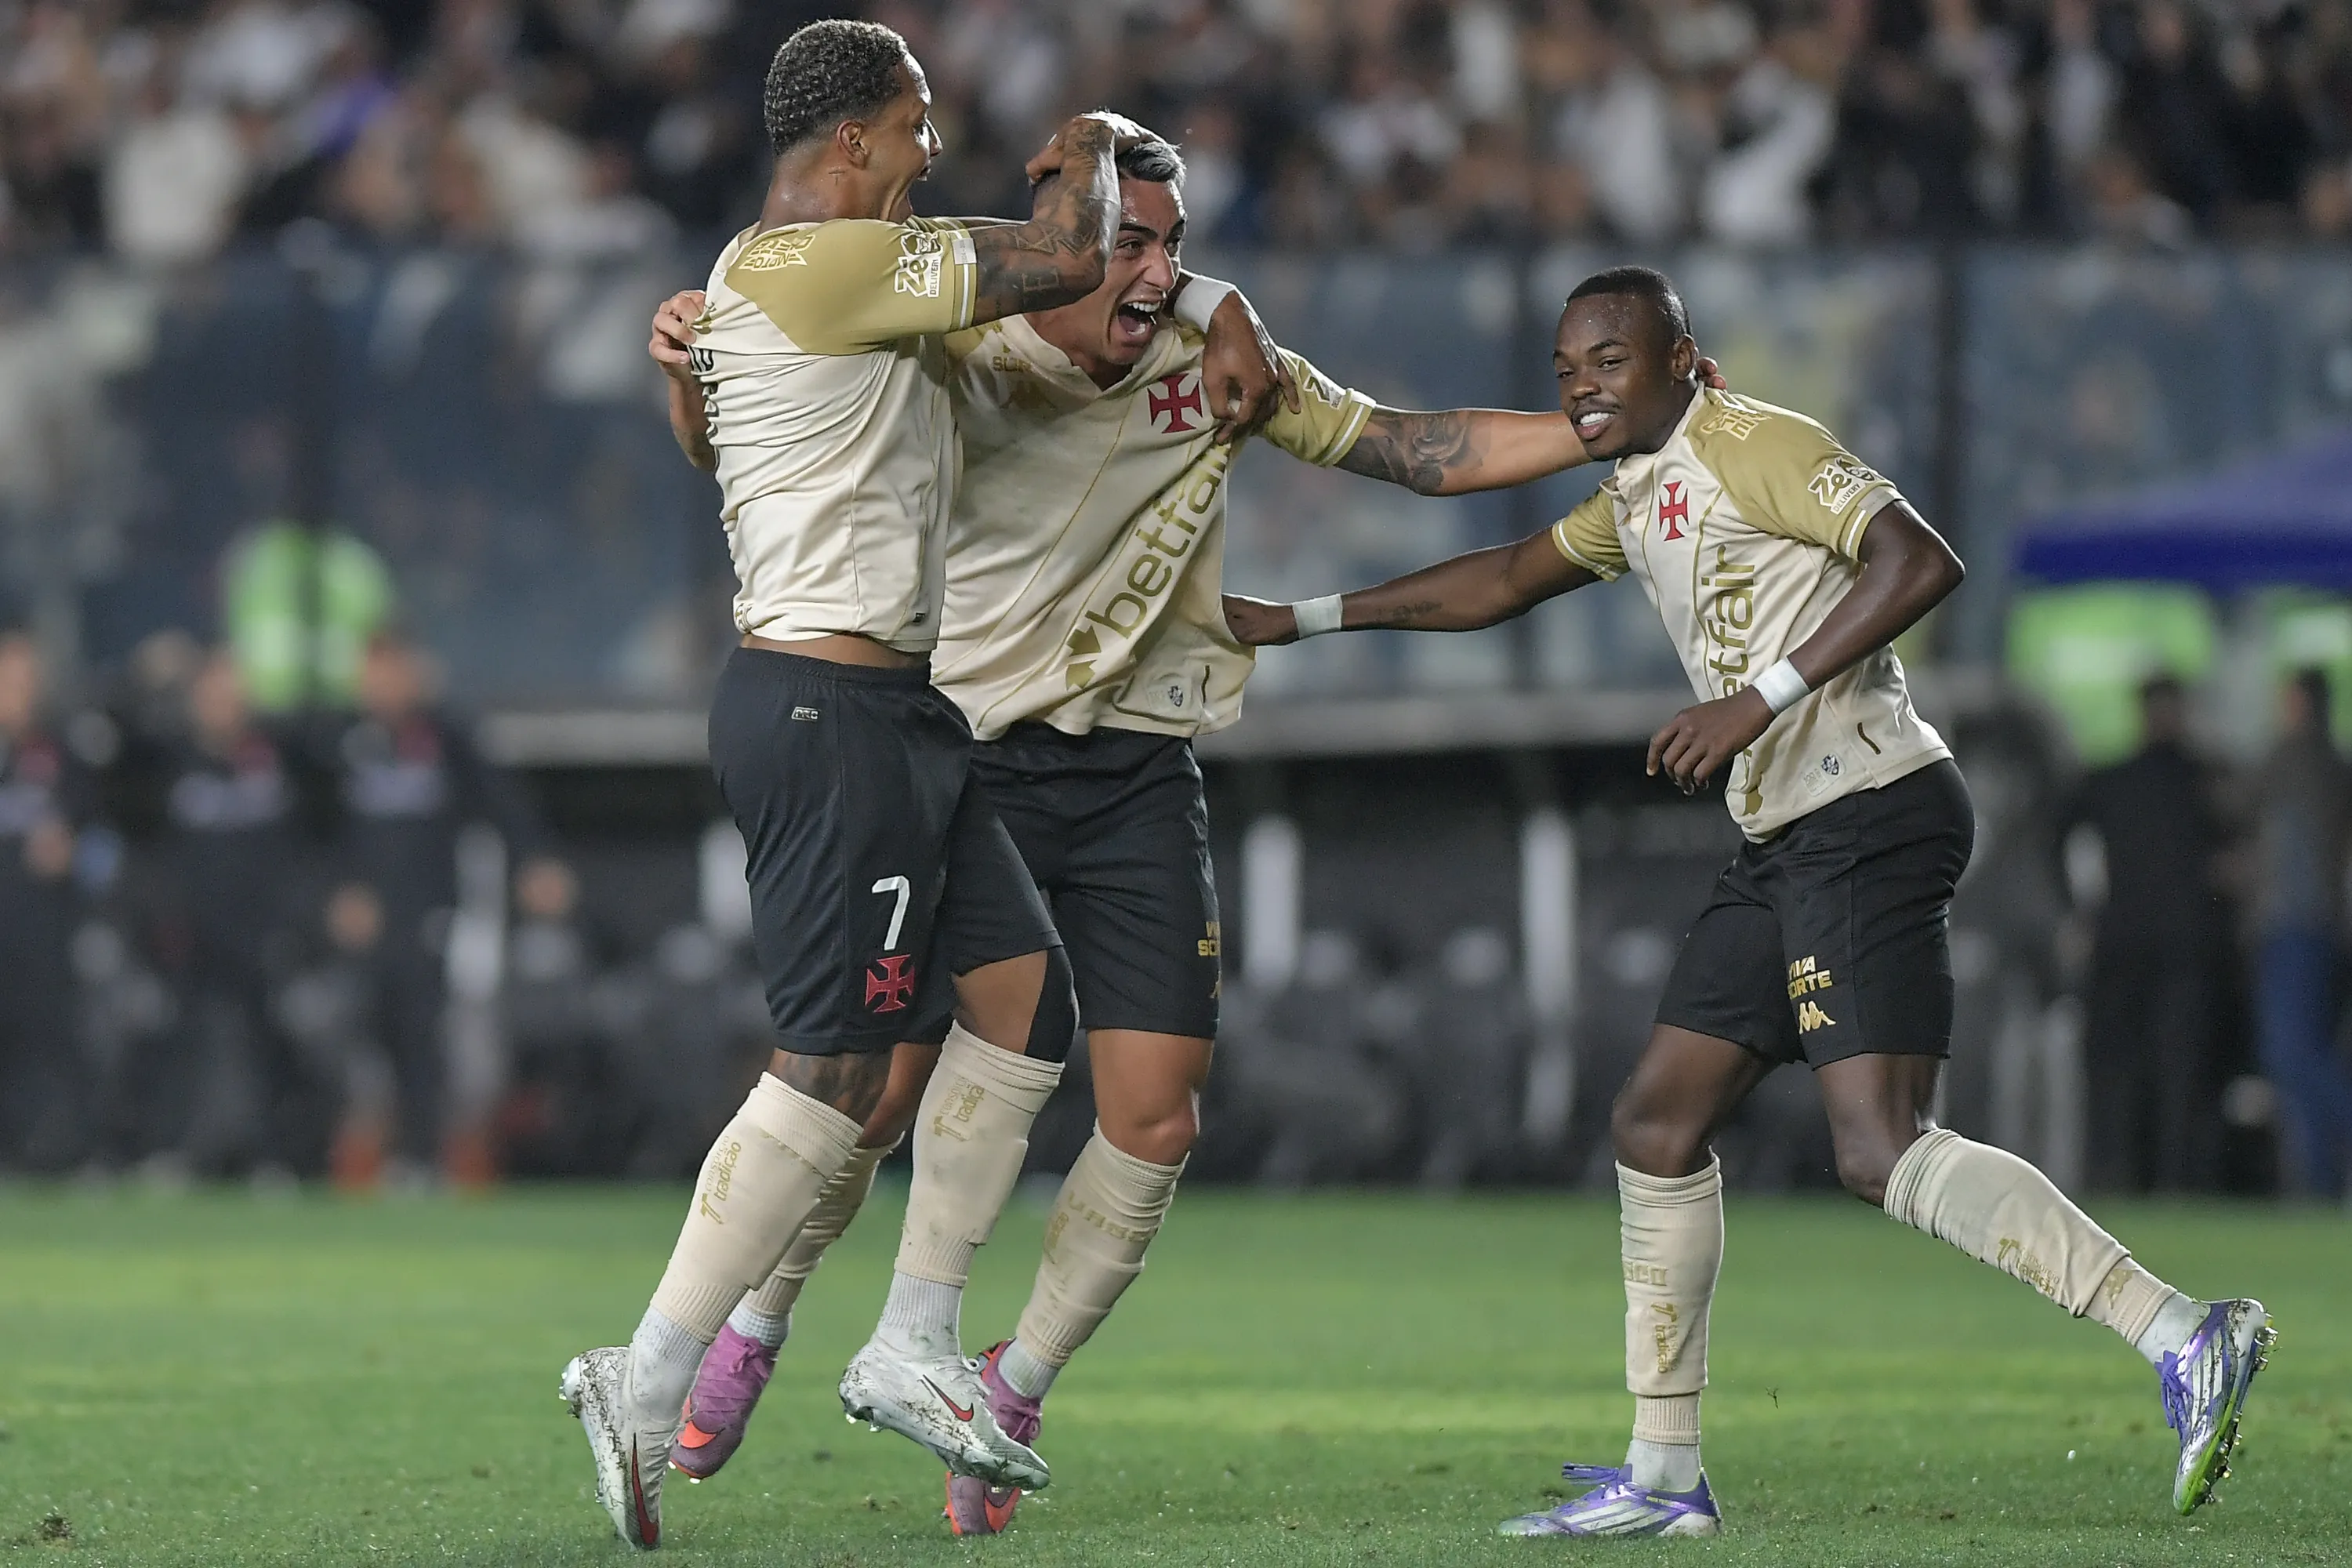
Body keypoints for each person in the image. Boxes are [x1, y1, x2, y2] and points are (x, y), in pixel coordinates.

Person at [642, 142, 1709, 1536]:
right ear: (1058, 234)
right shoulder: (957, 340)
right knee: (876, 1085)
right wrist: (688, 361)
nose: (1157, 269)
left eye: (1175, 242)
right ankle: (760, 1322)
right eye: (1128, 240)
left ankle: (1010, 1388)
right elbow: (767, 414)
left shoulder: (1215, 353)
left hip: (1139, 765)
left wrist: (1612, 427)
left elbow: (1407, 447)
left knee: (1156, 1114)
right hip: (967, 748)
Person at [1223, 266, 2271, 1534]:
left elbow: (1918, 559)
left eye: (1608, 361)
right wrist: (1300, 619)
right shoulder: (1640, 485)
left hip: (1867, 806)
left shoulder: (1753, 441)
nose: (1583, 389)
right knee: (1657, 1122)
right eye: (1566, 372)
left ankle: (2182, 1333)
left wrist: (1756, 698)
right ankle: (1664, 1479)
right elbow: (1501, 580)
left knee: (1878, 1147)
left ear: (1681, 358)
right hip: (1783, 836)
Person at [557, 20, 1262, 1551]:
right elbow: (1072, 257)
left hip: (895, 708)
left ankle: (914, 1340)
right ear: (860, 141)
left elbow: (713, 437)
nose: (935, 152)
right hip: (829, 710)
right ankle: (649, 1363)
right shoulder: (824, 262)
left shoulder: (794, 284)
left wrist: (681, 366)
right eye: (921, 127)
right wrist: (1100, 138)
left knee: (1022, 1003)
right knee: (835, 1069)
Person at [321, 631, 565, 1185]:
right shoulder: (345, 743)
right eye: (372, 673)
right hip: (367, 921)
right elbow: (327, 832)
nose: (381, 685)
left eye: (392, 671)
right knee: (369, 1029)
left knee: (422, 1030)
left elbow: (503, 805)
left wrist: (536, 861)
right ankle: (372, 1149)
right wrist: (340, 891)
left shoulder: (447, 738)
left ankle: (422, 1157)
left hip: (431, 911)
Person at [2060, 675, 2230, 1192]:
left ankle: (2119, 1178)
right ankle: (2170, 1181)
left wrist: (2076, 909)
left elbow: (2057, 837)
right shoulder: (2203, 781)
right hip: (2175, 947)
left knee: (2127, 1072)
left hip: (2133, 944)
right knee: (2173, 1073)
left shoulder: (2115, 780)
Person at [154, 650, 318, 1175]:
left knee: (271, 1044)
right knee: (190, 1043)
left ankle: (275, 1158)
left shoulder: (278, 755)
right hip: (195, 930)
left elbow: (331, 765)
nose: (223, 705)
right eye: (212, 693)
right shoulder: (170, 758)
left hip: (265, 929)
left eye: (233, 693)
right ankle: (186, 1152)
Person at [2249, 666, 2352, 1197]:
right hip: (2321, 928)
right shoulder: (2334, 765)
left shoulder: (2296, 762)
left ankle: (2323, 1176)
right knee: (2306, 1055)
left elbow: (2282, 847)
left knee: (2293, 1055)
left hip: (2297, 926)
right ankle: (2320, 1184)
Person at [0, 633, 96, 1171]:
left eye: (26, 681)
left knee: (47, 1051)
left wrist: (72, 845)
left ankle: (53, 1156)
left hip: (42, 932)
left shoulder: (62, 754)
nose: (18, 693)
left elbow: (95, 830)